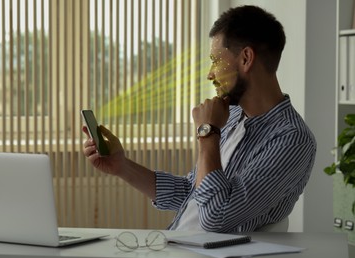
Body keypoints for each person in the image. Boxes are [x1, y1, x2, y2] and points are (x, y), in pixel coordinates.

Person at [82, 5, 316, 233]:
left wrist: (208, 133)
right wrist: (122, 167)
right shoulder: (232, 117)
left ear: (246, 58)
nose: (210, 74)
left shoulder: (292, 139)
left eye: (216, 60)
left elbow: (216, 216)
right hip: (179, 245)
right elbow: (191, 192)